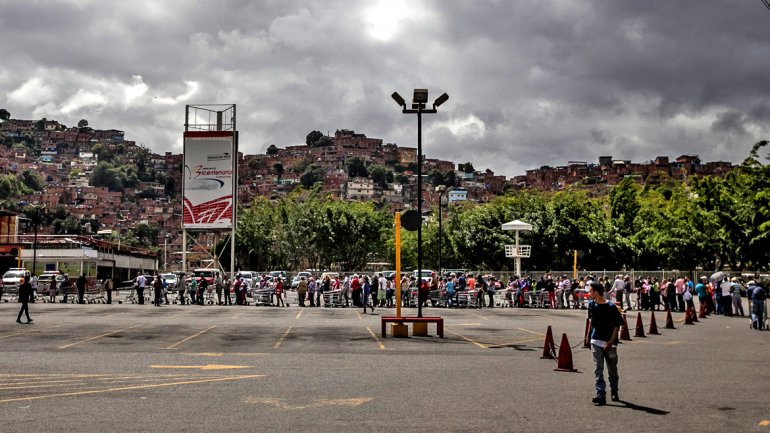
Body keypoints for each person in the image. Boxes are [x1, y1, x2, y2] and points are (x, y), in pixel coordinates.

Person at [584, 281, 624, 406]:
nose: (589, 294)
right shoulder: (591, 305)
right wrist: (588, 335)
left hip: (610, 343)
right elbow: (592, 321)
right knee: (598, 368)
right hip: (596, 340)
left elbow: (617, 325)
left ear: (596, 292)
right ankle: (600, 394)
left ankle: (614, 391)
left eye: (590, 291)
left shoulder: (611, 307)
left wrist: (611, 341)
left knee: (612, 369)